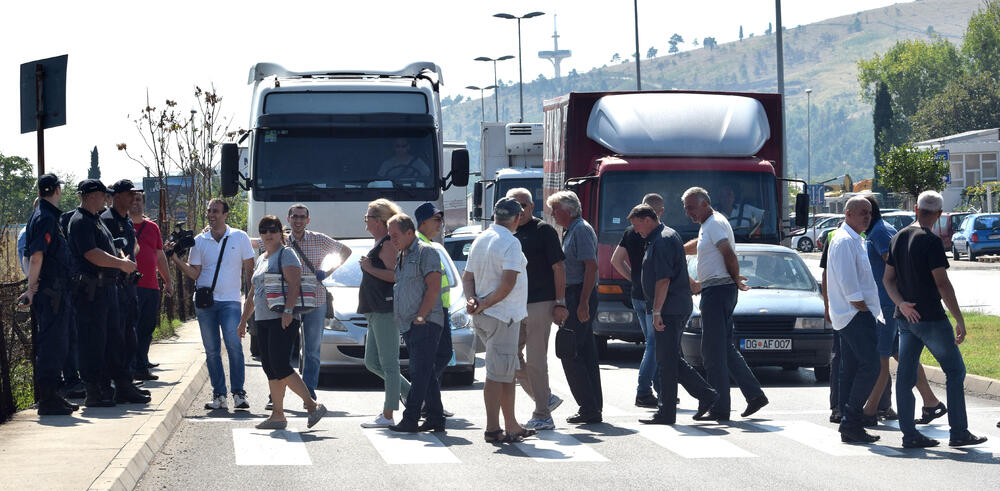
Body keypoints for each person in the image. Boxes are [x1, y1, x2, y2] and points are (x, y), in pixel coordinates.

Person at [884, 191, 988, 448]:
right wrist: (959, 318)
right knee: (955, 371)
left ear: (916, 209)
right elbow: (942, 283)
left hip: (906, 318)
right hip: (931, 318)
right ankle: (959, 431)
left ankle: (909, 434)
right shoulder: (930, 241)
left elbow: (888, 279)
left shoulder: (899, 236)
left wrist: (901, 304)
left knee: (905, 377)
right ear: (940, 214)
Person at [627, 205, 719, 425]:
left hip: (670, 308)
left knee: (666, 361)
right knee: (669, 359)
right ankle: (706, 394)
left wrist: (657, 311)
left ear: (648, 219)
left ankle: (666, 412)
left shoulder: (662, 240)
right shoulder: (661, 236)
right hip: (672, 306)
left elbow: (663, 279)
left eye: (637, 225)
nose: (636, 230)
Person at [682, 187, 768, 421]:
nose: (688, 213)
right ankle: (754, 395)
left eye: (690, 207)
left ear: (704, 204)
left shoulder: (715, 223)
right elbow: (701, 245)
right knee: (725, 349)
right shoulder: (709, 224)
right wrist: (678, 250)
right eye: (686, 208)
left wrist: (736, 278)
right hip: (719, 289)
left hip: (718, 290)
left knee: (711, 352)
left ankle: (719, 408)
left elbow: (728, 253)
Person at [238, 215, 327, 430]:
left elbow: (295, 284)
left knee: (280, 364)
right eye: (263, 230)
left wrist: (288, 311)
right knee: (270, 366)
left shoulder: (286, 254)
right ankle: (278, 415)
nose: (268, 234)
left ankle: (312, 405)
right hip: (263, 319)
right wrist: (243, 321)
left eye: (272, 230)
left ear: (280, 232)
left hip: (282, 318)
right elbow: (253, 292)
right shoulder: (262, 258)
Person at [168, 198, 256, 411]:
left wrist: (251, 301)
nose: (211, 214)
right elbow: (195, 273)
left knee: (234, 345)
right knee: (212, 350)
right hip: (205, 303)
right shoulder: (200, 240)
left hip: (231, 301)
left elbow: (249, 272)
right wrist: (175, 259)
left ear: (226, 214)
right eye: (209, 211)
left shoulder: (239, 236)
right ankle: (219, 396)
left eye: (216, 211)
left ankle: (238, 393)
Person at [66, 179, 147, 407]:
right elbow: (91, 254)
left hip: (107, 289)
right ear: (93, 196)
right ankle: (94, 391)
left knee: (112, 340)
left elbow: (109, 248)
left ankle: (115, 387)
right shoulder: (81, 221)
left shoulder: (94, 220)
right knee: (93, 341)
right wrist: (121, 265)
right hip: (92, 291)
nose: (106, 199)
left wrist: (121, 260)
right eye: (104, 195)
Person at [464, 197, 535, 443]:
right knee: (497, 374)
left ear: (494, 216)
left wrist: (472, 300)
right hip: (502, 315)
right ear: (516, 218)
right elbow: (508, 284)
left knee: (506, 372)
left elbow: (467, 277)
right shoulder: (510, 242)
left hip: (487, 315)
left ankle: (511, 425)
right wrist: (482, 303)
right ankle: (493, 428)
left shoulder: (481, 238)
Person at [507, 188, 567, 431]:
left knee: (536, 360)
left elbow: (559, 267)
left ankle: (542, 414)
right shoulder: (507, 232)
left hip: (540, 302)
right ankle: (545, 398)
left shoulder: (543, 230)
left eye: (523, 205)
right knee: (509, 356)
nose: (519, 210)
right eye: (514, 205)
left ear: (532, 206)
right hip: (514, 304)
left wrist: (560, 302)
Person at [826, 196, 882, 444]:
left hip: (853, 315)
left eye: (869, 213)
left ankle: (849, 423)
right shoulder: (844, 241)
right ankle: (851, 420)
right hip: (855, 315)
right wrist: (865, 309)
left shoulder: (854, 239)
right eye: (861, 212)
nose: (867, 217)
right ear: (848, 213)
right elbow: (850, 286)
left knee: (850, 369)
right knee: (871, 366)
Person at [18, 175, 76, 415]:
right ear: (58, 190)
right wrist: (31, 290)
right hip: (51, 291)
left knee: (58, 343)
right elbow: (37, 256)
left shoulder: (46, 215)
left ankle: (53, 395)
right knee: (52, 344)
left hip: (56, 290)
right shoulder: (45, 217)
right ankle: (48, 399)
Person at [387, 214, 449, 433]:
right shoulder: (401, 255)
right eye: (390, 235)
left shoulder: (426, 252)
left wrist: (421, 317)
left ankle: (410, 418)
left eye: (395, 235)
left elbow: (433, 288)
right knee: (427, 372)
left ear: (409, 232)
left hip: (426, 322)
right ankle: (435, 418)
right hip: (411, 324)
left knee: (419, 372)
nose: (392, 239)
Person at [547, 190, 603, 424]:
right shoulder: (572, 229)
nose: (553, 214)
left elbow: (591, 267)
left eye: (556, 210)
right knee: (585, 351)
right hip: (574, 293)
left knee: (569, 351)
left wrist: (582, 303)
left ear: (569, 210)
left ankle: (588, 406)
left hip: (580, 293)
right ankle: (592, 407)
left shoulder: (581, 229)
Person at [286, 203, 351, 399]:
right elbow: (257, 243)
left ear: (308, 220)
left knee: (312, 349)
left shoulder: (318, 239)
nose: (298, 220)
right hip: (289, 300)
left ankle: (309, 390)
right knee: (284, 348)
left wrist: (329, 271)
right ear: (288, 219)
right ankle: (278, 391)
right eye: (295, 217)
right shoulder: (281, 240)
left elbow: (345, 251)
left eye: (302, 217)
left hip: (316, 300)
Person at [358, 199, 411, 428]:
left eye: (368, 217)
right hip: (374, 310)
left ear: (378, 221)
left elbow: (396, 275)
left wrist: (370, 268)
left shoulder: (388, 244)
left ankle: (388, 415)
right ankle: (418, 399)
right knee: (372, 363)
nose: (365, 221)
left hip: (385, 309)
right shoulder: (381, 242)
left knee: (389, 364)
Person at [611, 193, 665, 408]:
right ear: (657, 212)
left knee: (652, 344)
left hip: (637, 295)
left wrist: (634, 278)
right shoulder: (658, 234)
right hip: (653, 297)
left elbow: (616, 260)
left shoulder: (630, 232)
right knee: (654, 343)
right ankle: (643, 391)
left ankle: (662, 389)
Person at [129, 190, 173, 379]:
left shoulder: (152, 227)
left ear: (144, 203)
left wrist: (168, 281)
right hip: (130, 286)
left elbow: (160, 255)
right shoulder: (121, 225)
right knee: (131, 327)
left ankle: (141, 365)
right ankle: (130, 367)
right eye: (132, 199)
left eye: (138, 199)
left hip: (151, 286)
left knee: (147, 327)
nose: (135, 203)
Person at [102, 180, 141, 383]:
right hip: (115, 285)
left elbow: (133, 246)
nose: (133, 198)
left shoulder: (127, 220)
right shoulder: (106, 220)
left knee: (129, 332)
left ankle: (127, 377)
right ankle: (117, 379)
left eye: (134, 194)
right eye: (129, 194)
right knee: (116, 334)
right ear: (116, 196)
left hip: (129, 285)